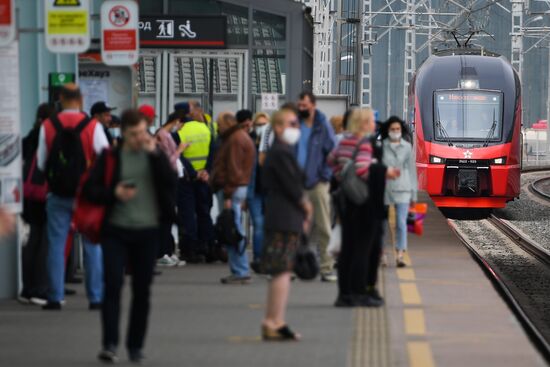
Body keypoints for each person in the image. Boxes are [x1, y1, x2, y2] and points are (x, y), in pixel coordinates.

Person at [81, 109, 177, 364]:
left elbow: (170, 182)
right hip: (116, 230)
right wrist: (115, 193)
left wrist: (156, 154)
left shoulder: (153, 156)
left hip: (147, 231)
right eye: (133, 134)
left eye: (143, 132)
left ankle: (135, 345)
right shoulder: (111, 157)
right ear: (123, 133)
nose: (139, 138)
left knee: (142, 290)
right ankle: (110, 343)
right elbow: (91, 190)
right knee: (113, 284)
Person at [36, 83, 107, 310]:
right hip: (86, 195)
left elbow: (40, 162)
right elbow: (106, 158)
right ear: (81, 99)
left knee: (56, 244)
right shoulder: (92, 125)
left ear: (60, 99)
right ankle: (95, 297)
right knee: (92, 246)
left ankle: (55, 296)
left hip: (58, 193)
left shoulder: (48, 125)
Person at [328, 108, 400, 307]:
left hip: (346, 201)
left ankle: (345, 294)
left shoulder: (344, 142)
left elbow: (331, 160)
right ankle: (360, 292)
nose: (373, 125)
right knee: (363, 249)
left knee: (348, 249)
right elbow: (362, 169)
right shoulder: (365, 143)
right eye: (370, 121)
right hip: (363, 203)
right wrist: (386, 173)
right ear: (362, 124)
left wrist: (341, 178)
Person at [260, 107, 312, 341]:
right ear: (278, 127)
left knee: (280, 270)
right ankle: (275, 321)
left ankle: (273, 320)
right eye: (291, 123)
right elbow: (292, 185)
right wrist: (305, 205)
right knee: (282, 270)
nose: (296, 128)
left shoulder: (279, 151)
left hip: (281, 215)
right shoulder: (281, 152)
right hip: (285, 217)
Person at [296, 91, 336, 282]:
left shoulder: (323, 126)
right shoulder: (294, 124)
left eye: (304, 105)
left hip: (317, 183)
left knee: (323, 226)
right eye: (300, 105)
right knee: (294, 226)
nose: (301, 108)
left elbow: (332, 153)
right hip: (296, 184)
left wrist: (324, 177)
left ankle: (326, 267)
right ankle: (293, 267)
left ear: (313, 105)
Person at [211, 112, 256, 284]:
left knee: (232, 229)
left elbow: (234, 169)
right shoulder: (240, 137)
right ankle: (239, 270)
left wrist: (228, 194)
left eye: (219, 124)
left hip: (232, 189)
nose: (218, 127)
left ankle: (240, 270)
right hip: (238, 188)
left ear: (226, 124)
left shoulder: (234, 140)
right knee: (234, 228)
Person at [19, 103, 55, 305]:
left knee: (33, 239)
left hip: (28, 195)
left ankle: (27, 287)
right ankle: (41, 289)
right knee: (45, 242)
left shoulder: (27, 140)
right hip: (45, 196)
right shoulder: (48, 139)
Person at [174, 106, 217, 263]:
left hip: (186, 179)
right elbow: (213, 151)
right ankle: (207, 247)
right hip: (204, 178)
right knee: (204, 213)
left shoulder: (179, 132)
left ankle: (190, 250)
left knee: (188, 214)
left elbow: (177, 155)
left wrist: (193, 172)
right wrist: (206, 170)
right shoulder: (205, 129)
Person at [380, 116, 417, 267]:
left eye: (398, 129)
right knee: (382, 224)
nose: (396, 132)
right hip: (385, 189)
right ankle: (382, 254)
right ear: (388, 131)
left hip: (403, 188)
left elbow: (412, 171)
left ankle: (400, 254)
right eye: (393, 129)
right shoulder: (382, 146)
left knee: (401, 223)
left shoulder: (407, 147)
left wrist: (414, 194)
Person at [155, 112, 188, 267]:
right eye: (180, 124)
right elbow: (167, 160)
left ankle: (166, 251)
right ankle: (162, 252)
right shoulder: (163, 136)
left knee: (168, 215)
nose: (180, 128)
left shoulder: (164, 134)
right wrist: (180, 149)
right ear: (176, 121)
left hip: (171, 178)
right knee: (166, 216)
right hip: (167, 178)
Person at [247, 112, 269, 268]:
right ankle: (258, 256)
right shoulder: (249, 142)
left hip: (269, 190)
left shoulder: (271, 142)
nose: (261, 128)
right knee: (258, 223)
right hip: (254, 190)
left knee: (268, 224)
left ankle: (266, 255)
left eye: (264, 125)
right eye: (258, 125)